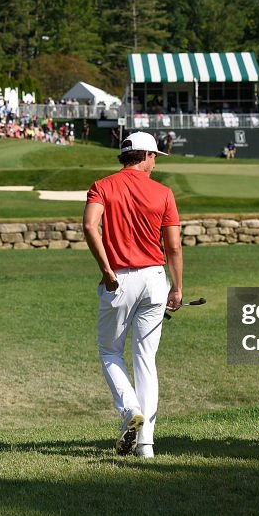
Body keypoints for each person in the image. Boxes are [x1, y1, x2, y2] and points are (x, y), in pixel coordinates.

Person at [83, 131, 183, 459]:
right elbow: (173, 246)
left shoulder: (102, 186)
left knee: (110, 352)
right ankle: (147, 445)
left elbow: (89, 226)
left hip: (120, 279)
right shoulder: (163, 192)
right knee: (145, 360)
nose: (155, 163)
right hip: (155, 278)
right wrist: (178, 286)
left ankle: (129, 411)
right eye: (154, 157)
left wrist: (107, 270)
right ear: (146, 156)